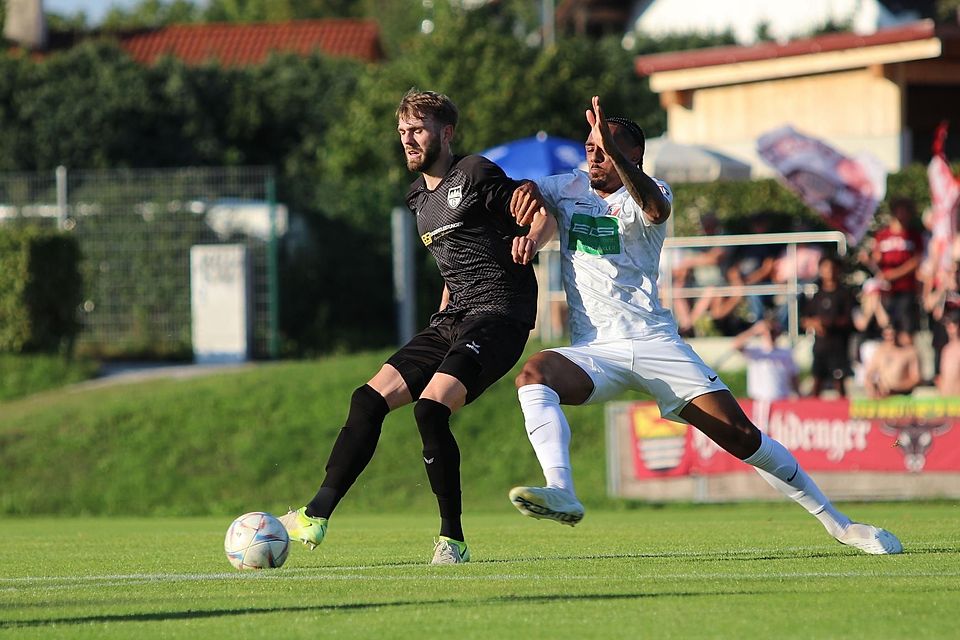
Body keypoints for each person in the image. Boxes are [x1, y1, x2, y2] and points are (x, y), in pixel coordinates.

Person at [506, 95, 902, 554]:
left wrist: (610, 162)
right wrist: (530, 203)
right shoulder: (567, 185)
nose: (594, 155)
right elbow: (531, 196)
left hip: (656, 343)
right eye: (591, 146)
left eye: (607, 149)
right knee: (534, 375)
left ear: (633, 157)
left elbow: (654, 210)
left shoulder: (655, 190)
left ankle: (841, 525)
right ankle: (563, 490)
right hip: (596, 350)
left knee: (743, 437)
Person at [279, 89, 548, 565]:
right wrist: (443, 311)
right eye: (403, 131)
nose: (408, 139)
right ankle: (314, 515)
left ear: (445, 133)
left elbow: (538, 211)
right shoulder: (417, 197)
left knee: (430, 410)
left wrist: (531, 238)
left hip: (500, 315)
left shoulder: (476, 172)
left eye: (417, 130)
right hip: (453, 318)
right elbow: (454, 261)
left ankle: (453, 541)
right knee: (367, 399)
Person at [802, 254, 857, 397]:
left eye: (833, 268)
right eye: (825, 268)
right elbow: (805, 319)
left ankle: (843, 414)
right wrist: (814, 324)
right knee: (816, 383)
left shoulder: (844, 294)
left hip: (838, 346)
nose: (829, 271)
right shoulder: (817, 295)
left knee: (839, 383)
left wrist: (827, 323)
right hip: (820, 347)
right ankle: (813, 416)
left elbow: (849, 319)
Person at [869, 197, 924, 334]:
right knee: (888, 328)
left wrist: (896, 274)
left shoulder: (913, 235)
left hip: (906, 288)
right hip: (887, 289)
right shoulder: (882, 235)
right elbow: (877, 258)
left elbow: (917, 260)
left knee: (906, 329)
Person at [731, 316, 799, 402]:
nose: (770, 334)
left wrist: (798, 395)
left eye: (774, 331)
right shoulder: (755, 351)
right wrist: (754, 330)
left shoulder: (786, 353)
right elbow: (735, 345)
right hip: (758, 400)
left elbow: (794, 376)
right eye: (767, 331)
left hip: (781, 400)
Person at [863, 323, 922, 399]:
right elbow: (869, 375)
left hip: (902, 397)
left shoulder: (909, 352)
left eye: (892, 334)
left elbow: (916, 379)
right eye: (887, 335)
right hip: (884, 398)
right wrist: (873, 387)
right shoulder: (880, 351)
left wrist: (896, 388)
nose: (890, 338)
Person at [937, 311, 960, 396]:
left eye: (953, 323)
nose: (950, 326)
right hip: (946, 401)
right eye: (947, 323)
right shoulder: (946, 349)